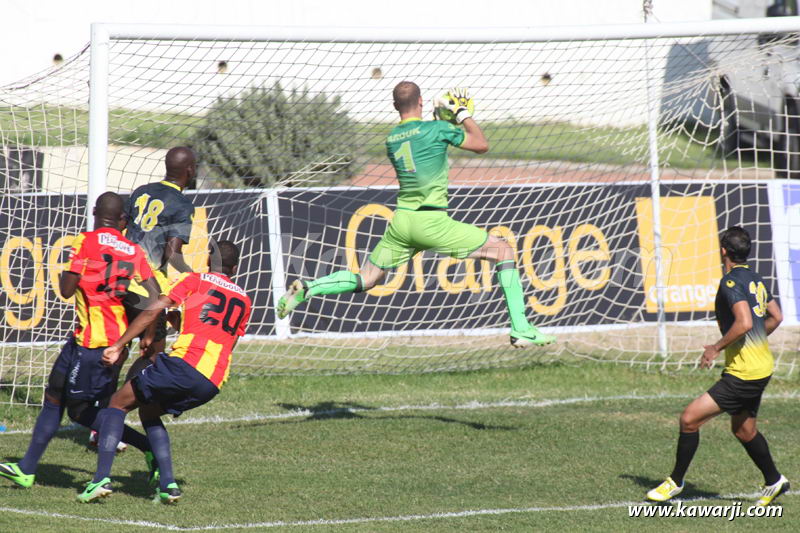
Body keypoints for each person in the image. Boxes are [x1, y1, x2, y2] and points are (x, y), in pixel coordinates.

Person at [277, 82, 555, 347]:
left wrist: (440, 120)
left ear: (395, 105)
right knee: (504, 251)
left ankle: (309, 287)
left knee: (367, 278)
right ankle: (521, 329)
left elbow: (420, 140)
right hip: (431, 221)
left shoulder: (392, 138)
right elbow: (481, 144)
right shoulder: (437, 130)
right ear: (421, 102)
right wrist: (462, 114)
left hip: (401, 223)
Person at [0, 192, 160, 489]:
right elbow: (155, 294)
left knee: (80, 411)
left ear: (96, 212)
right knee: (53, 395)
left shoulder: (84, 241)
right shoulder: (134, 251)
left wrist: (74, 267)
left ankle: (148, 447)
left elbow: (66, 289)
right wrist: (148, 333)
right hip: (91, 338)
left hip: (97, 344)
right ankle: (26, 468)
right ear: (122, 220)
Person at [77, 240, 251, 504]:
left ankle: (100, 479)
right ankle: (168, 485)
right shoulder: (244, 299)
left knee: (116, 404)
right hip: (212, 380)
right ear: (235, 269)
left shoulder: (195, 280)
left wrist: (119, 345)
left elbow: (153, 311)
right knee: (149, 412)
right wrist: (182, 325)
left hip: (184, 364)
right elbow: (226, 341)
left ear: (207, 260)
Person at [646, 226, 788, 506]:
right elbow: (776, 316)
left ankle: (675, 482)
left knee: (689, 419)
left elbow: (745, 322)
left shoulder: (731, 282)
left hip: (744, 374)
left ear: (723, 251)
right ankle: (774, 480)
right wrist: (754, 340)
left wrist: (716, 347)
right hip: (761, 367)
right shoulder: (755, 278)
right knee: (744, 431)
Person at [87, 146, 198, 449]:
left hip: (120, 278)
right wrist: (194, 278)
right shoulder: (182, 203)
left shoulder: (140, 191)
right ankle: (112, 417)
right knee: (150, 356)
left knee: (116, 350)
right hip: (147, 290)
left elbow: (124, 229)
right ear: (190, 170)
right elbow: (172, 254)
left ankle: (97, 421)